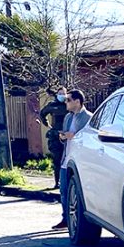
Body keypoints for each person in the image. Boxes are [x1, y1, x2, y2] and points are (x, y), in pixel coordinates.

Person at [53, 89, 92, 230]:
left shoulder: (88, 117)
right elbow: (65, 137)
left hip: (80, 161)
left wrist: (73, 135)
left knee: (77, 192)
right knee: (64, 191)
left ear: (77, 101)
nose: (66, 102)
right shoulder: (68, 117)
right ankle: (66, 218)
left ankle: (79, 220)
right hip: (66, 159)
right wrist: (63, 137)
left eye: (69, 100)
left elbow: (89, 138)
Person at [38, 86, 67, 188]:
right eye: (60, 93)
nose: (62, 96)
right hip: (56, 135)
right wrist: (48, 125)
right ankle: (57, 182)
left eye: (64, 93)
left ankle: (67, 182)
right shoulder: (52, 105)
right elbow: (42, 114)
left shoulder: (68, 105)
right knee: (57, 160)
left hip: (68, 135)